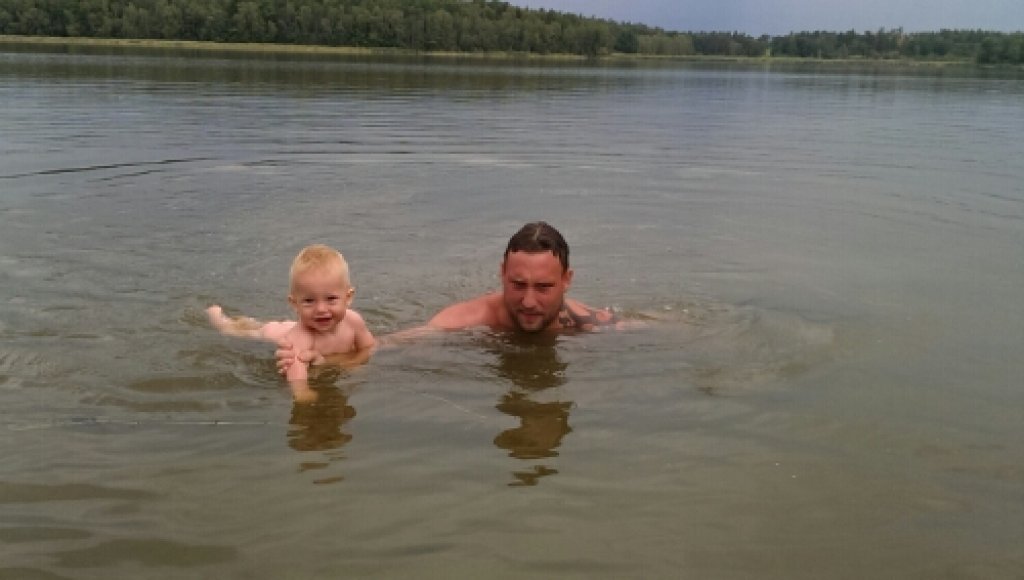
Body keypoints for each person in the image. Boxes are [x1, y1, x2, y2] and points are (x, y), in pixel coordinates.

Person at [275, 222, 617, 374]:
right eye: (517, 284)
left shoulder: (588, 322)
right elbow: (385, 348)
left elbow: (644, 325)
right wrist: (326, 360)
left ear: (567, 280)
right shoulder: (468, 319)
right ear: (502, 274)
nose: (528, 301)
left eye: (543, 287)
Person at [208, 244, 375, 402]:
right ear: (295, 304)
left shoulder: (353, 321)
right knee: (246, 330)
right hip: (275, 332)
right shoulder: (301, 337)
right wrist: (302, 392)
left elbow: (369, 347)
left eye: (331, 299)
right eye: (309, 301)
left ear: (348, 298)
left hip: (290, 326)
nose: (321, 309)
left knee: (256, 324)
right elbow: (296, 372)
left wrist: (348, 364)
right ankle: (221, 320)